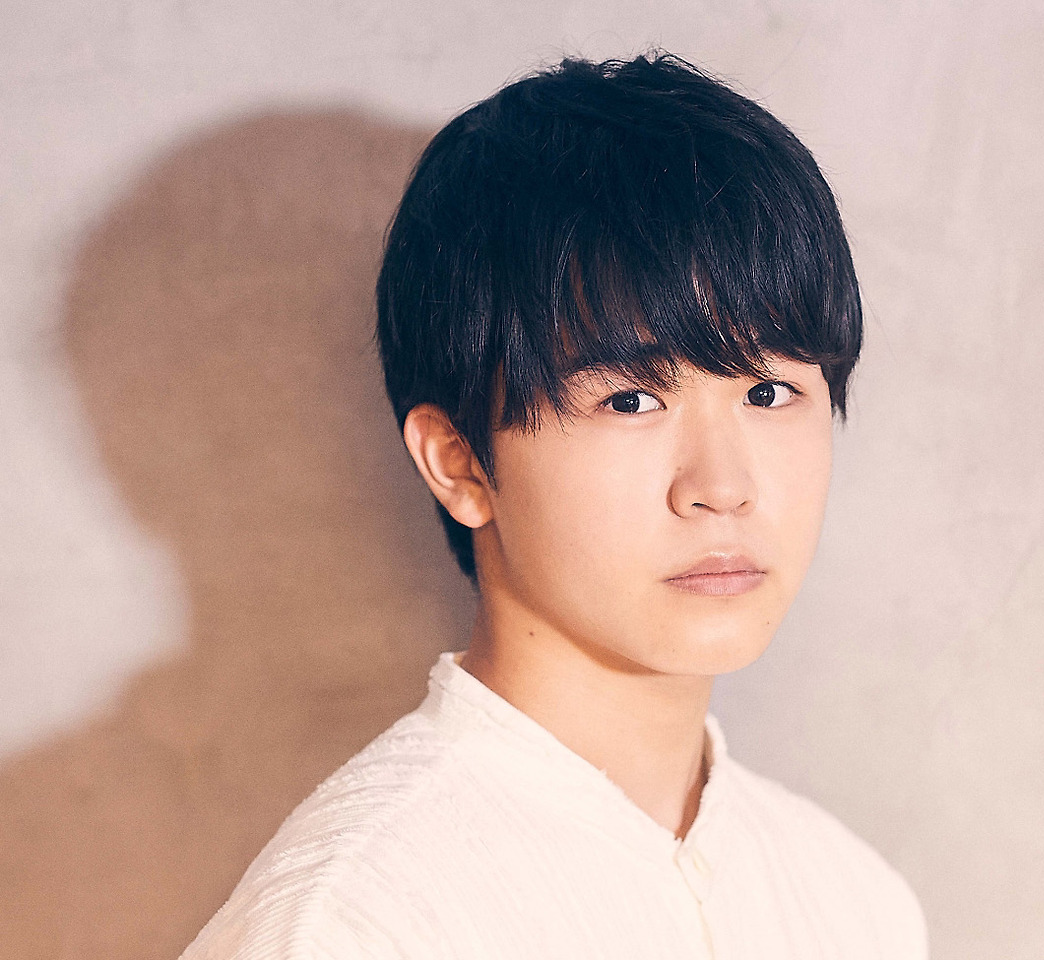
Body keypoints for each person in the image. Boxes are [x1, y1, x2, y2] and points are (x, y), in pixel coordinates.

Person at [180, 51, 928, 959]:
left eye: (768, 393)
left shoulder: (853, 902)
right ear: (460, 463)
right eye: (631, 401)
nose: (723, 485)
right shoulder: (356, 922)